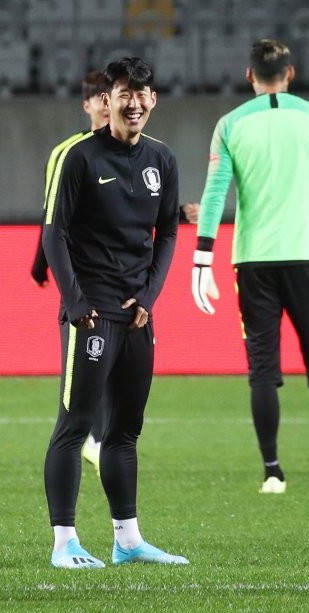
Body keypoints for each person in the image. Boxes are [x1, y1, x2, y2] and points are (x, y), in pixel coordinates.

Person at [191, 39, 309, 495]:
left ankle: (273, 473)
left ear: (248, 75)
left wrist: (202, 258)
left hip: (252, 260)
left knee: (262, 370)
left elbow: (216, 193)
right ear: (290, 74)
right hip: (307, 256)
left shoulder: (230, 125)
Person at [41, 57, 187, 568]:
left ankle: (127, 541)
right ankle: (64, 543)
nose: (135, 103)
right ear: (108, 99)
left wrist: (149, 297)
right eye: (125, 93)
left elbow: (167, 231)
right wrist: (77, 301)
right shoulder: (78, 157)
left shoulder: (162, 160)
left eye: (144, 94)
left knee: (125, 429)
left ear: (153, 100)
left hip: (138, 315)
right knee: (75, 424)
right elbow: (53, 233)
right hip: (92, 315)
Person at [31, 70, 111, 470]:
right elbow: (52, 214)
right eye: (98, 96)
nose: (104, 102)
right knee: (87, 359)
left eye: (108, 95)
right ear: (87, 104)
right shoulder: (68, 152)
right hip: (79, 271)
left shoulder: (132, 151)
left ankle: (102, 437)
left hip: (118, 273)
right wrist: (41, 259)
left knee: (110, 363)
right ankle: (91, 437)